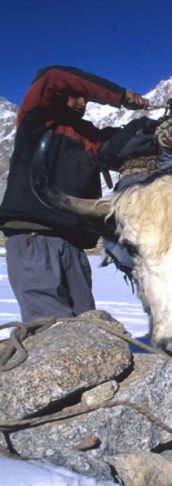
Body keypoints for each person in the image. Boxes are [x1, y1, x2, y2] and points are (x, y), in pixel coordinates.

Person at [0, 66, 149, 322]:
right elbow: (53, 76)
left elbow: (122, 144)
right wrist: (120, 96)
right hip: (33, 238)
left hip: (73, 243)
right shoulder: (36, 120)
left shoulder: (89, 137)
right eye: (75, 95)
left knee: (87, 323)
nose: (82, 102)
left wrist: (160, 128)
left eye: (85, 98)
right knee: (51, 327)